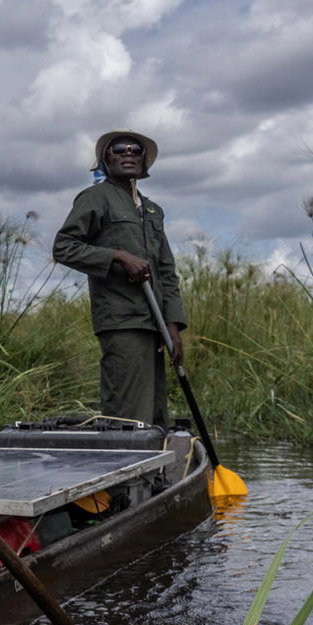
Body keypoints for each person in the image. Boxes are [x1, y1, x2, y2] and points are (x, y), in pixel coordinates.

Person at [52, 130, 185, 427]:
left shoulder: (152, 210)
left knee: (156, 413)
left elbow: (166, 270)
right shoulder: (96, 198)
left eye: (135, 150)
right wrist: (117, 257)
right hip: (122, 320)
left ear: (144, 161)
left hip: (156, 324)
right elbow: (64, 247)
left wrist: (173, 327)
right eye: (119, 149)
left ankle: (158, 471)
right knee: (128, 414)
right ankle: (126, 469)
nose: (128, 153)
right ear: (105, 159)